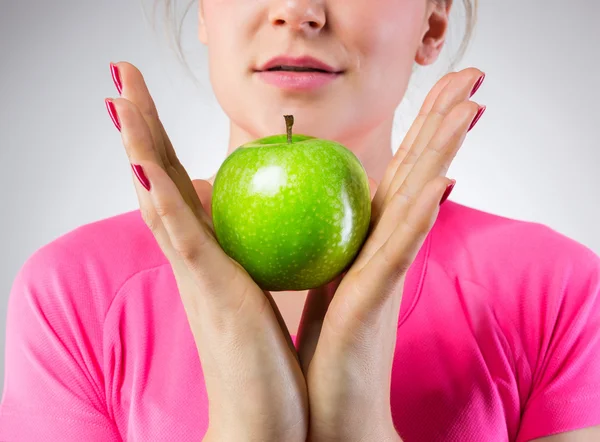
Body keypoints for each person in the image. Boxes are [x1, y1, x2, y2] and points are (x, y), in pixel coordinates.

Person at [1, 0, 599, 440]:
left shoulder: (558, 292)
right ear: (206, 12)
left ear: (433, 21)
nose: (297, 11)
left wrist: (356, 424)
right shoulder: (73, 293)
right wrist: (250, 426)